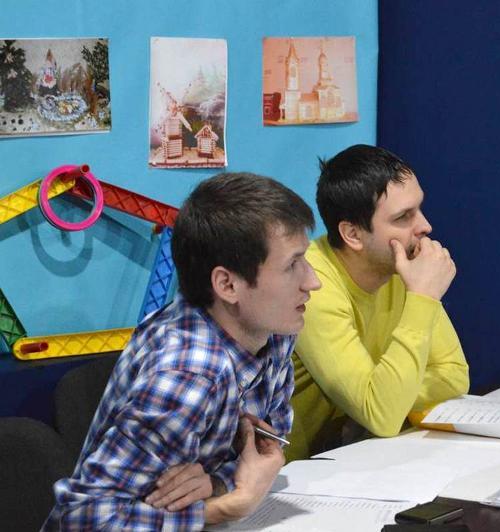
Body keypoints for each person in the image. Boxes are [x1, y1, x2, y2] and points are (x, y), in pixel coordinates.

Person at [43, 172, 321, 530]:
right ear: (227, 285)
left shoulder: (271, 328)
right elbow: (84, 520)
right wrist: (227, 506)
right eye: (292, 265)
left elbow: (267, 446)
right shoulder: (188, 374)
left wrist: (216, 482)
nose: (312, 281)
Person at [287, 144, 470, 461]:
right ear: (353, 235)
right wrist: (423, 298)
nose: (425, 226)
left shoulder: (400, 266)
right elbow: (383, 414)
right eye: (403, 217)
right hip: (290, 474)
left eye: (419, 209)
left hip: (357, 458)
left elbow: (454, 376)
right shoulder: (312, 284)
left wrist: (387, 393)